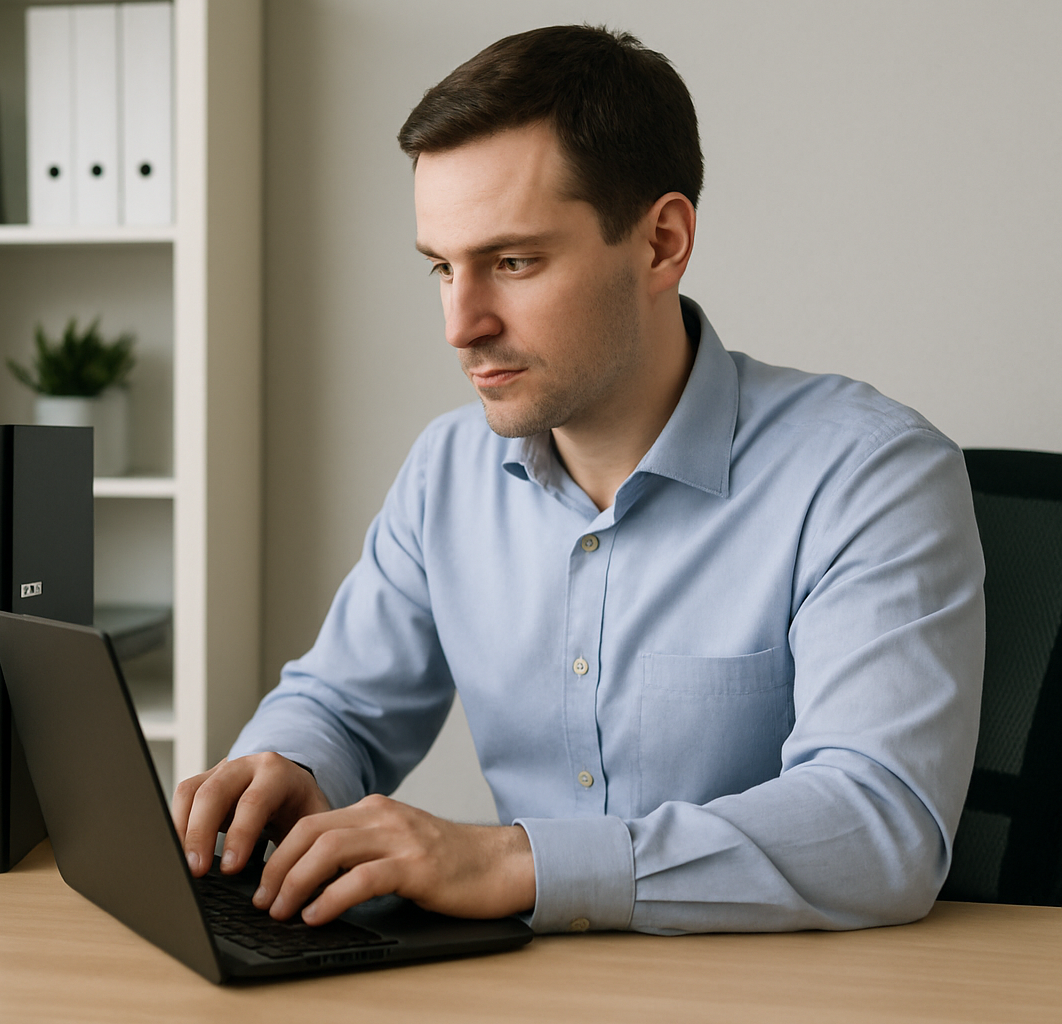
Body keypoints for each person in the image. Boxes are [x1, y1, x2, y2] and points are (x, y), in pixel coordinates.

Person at [172, 24, 984, 935]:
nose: (461, 324)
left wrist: (511, 858)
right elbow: (340, 706)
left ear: (662, 243)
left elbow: (880, 828)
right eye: (443, 267)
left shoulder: (868, 474)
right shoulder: (449, 470)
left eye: (513, 262)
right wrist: (288, 767)